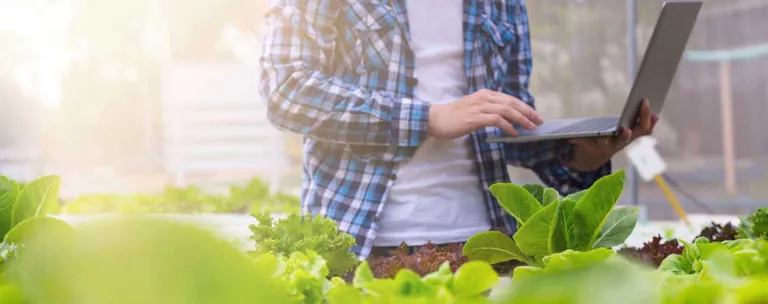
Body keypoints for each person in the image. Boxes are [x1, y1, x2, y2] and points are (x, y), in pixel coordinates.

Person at [258, 0, 658, 261]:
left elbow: (507, 120)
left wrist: (583, 156)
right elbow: (286, 90)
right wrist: (428, 118)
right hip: (363, 244)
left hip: (487, 246)